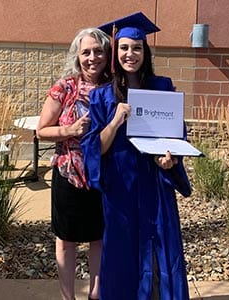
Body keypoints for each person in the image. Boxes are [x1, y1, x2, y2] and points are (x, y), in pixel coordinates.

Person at [81, 12, 191, 300]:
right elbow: (94, 149)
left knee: (161, 249)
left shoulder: (162, 87)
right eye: (124, 47)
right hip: (121, 186)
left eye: (137, 48)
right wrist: (115, 121)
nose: (131, 54)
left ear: (146, 51)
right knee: (122, 252)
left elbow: (176, 135)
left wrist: (172, 160)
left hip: (155, 183)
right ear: (115, 52)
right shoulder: (102, 97)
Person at [36, 27, 111, 300]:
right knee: (66, 240)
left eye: (99, 51)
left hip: (103, 175)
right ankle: (68, 297)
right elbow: (41, 130)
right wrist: (70, 130)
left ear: (107, 53)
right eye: (86, 52)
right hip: (69, 174)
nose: (93, 57)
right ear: (77, 56)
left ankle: (95, 294)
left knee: (99, 238)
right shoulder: (64, 87)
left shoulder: (115, 87)